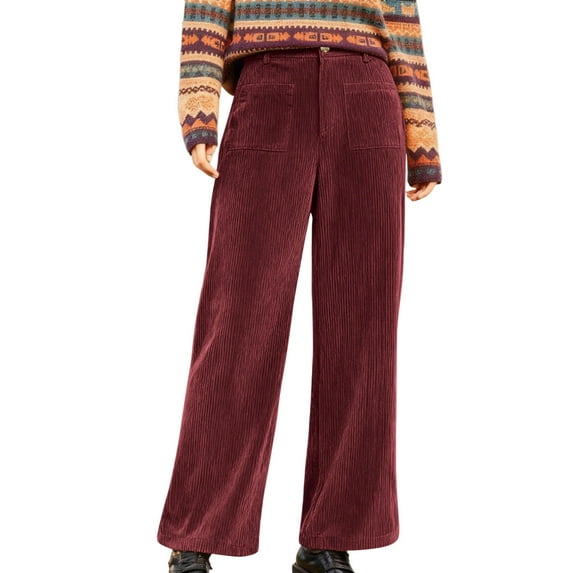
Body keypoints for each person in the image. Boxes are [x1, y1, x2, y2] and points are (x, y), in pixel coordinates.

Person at [157, 0, 443, 572]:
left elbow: (400, 15)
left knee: (362, 329)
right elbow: (206, 5)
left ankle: (329, 539)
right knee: (239, 319)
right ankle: (196, 535)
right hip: (269, 88)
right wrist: (198, 105)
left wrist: (421, 134)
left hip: (368, 91)